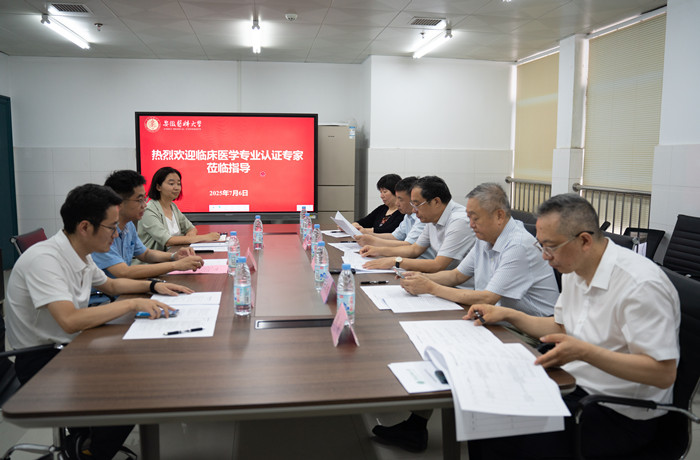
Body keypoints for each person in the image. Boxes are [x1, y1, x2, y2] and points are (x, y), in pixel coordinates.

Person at [465, 193, 680, 459]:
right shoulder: (574, 267)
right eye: (541, 245)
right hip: (571, 383)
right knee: (483, 412)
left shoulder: (641, 285)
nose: (545, 257)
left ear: (584, 240)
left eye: (550, 247)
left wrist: (584, 352)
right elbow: (561, 327)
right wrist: (508, 314)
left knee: (511, 433)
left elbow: (662, 373)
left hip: (618, 411)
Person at [5, 184, 193, 459]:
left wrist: (153, 286)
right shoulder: (45, 260)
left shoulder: (79, 253)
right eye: (111, 227)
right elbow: (69, 320)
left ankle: (90, 440)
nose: (117, 234)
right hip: (43, 359)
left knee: (145, 370)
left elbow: (111, 286)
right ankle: (87, 451)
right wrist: (133, 303)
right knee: (135, 389)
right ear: (85, 227)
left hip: (71, 346)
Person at [373, 183, 558, 452]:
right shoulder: (485, 237)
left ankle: (439, 429)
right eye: (469, 216)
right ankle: (416, 425)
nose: (470, 223)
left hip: (528, 330)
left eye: (475, 217)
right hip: (496, 317)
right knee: (436, 336)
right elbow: (457, 275)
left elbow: (488, 297)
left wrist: (431, 287)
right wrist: (419, 278)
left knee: (456, 347)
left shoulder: (517, 245)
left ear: (499, 216)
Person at [92, 170, 204, 278]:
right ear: (119, 201)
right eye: (139, 200)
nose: (144, 205)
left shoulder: (128, 225)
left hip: (124, 285)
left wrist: (174, 256)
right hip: (113, 289)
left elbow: (145, 254)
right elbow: (123, 272)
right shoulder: (101, 231)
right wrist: (175, 265)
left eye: (144, 198)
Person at [360, 176, 475, 272]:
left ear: (436, 202)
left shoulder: (459, 221)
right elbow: (414, 249)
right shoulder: (432, 216)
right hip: (440, 277)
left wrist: (395, 261)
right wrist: (378, 250)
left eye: (417, 204)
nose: (414, 210)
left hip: (456, 285)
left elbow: (438, 265)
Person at [138, 166, 219, 251]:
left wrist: (190, 238)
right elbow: (167, 240)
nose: (176, 188)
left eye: (179, 184)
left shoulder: (172, 206)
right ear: (158, 187)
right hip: (154, 258)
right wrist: (205, 237)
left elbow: (191, 228)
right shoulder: (148, 210)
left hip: (175, 253)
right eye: (171, 184)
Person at [353, 176, 436, 259]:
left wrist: (373, 241)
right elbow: (395, 237)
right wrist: (368, 235)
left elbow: (409, 246)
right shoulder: (408, 215)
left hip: (421, 262)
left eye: (400, 199)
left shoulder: (423, 217)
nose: (397, 203)